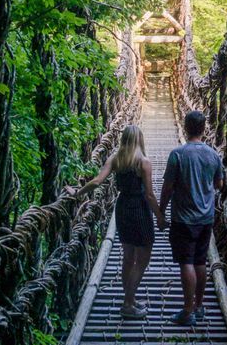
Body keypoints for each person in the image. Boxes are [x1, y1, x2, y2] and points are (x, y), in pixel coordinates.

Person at [66, 125, 166, 318]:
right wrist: (160, 218)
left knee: (128, 257)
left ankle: (130, 298)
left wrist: (77, 193)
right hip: (139, 208)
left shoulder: (116, 159)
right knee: (143, 258)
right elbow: (150, 195)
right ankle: (128, 305)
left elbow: (96, 181)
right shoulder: (143, 162)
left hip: (122, 208)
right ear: (140, 140)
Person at [159, 110, 223, 326]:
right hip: (206, 218)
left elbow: (167, 187)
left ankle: (187, 312)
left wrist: (161, 211)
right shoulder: (213, 155)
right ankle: (199, 306)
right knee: (200, 261)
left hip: (183, 218)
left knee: (186, 262)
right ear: (204, 129)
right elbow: (219, 184)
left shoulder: (178, 154)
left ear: (186, 128)